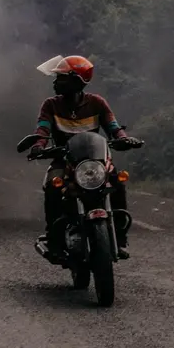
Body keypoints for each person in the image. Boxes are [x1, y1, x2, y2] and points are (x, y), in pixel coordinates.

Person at [29, 55, 140, 259]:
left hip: (95, 161)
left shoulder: (97, 103)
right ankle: (54, 239)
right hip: (64, 160)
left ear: (76, 81)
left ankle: (119, 236)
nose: (55, 82)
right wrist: (38, 145)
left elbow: (113, 127)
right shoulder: (50, 105)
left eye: (60, 78)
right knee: (52, 188)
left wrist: (124, 139)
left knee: (117, 182)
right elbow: (43, 129)